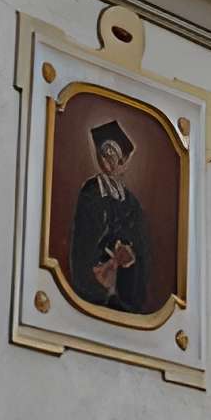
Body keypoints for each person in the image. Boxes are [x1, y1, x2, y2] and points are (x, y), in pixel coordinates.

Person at [70, 119, 152, 312]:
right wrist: (106, 256)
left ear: (122, 160)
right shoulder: (91, 192)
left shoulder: (131, 202)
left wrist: (129, 255)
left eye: (112, 155)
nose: (107, 161)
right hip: (96, 278)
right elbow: (83, 238)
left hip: (123, 285)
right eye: (103, 155)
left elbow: (140, 242)